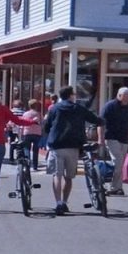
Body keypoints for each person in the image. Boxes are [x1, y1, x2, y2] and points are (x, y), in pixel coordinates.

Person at [42, 85, 104, 215]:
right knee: (69, 177)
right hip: (74, 145)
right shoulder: (78, 108)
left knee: (57, 175)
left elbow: (47, 126)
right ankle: (65, 202)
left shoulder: (55, 108)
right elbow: (95, 120)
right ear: (71, 95)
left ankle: (58, 203)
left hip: (57, 144)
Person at [100, 87, 128, 196]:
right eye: (126, 96)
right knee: (118, 161)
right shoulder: (109, 106)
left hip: (124, 139)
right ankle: (114, 187)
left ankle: (117, 187)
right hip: (111, 137)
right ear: (119, 95)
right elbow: (101, 123)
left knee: (119, 164)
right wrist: (100, 138)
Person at [20, 100, 43, 171]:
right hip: (37, 133)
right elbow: (42, 123)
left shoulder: (25, 114)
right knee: (35, 150)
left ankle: (27, 165)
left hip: (27, 132)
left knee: (27, 149)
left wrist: (21, 133)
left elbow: (22, 123)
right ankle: (35, 166)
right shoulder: (39, 114)